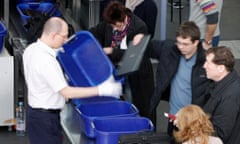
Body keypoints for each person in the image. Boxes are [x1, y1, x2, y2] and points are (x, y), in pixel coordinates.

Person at [23, 17, 122, 144]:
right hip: (45, 119)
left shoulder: (32, 49)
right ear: (53, 35)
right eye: (64, 37)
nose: (65, 41)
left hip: (37, 115)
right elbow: (67, 93)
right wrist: (103, 90)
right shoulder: (46, 61)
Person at [89, 1, 154, 119]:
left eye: (118, 26)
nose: (116, 29)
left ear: (125, 18)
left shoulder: (139, 27)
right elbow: (94, 32)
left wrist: (110, 51)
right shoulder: (109, 24)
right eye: (113, 26)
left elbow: (132, 54)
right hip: (116, 71)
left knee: (136, 105)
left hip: (135, 73)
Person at [147, 21, 211, 128]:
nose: (180, 47)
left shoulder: (205, 62)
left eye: (185, 44)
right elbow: (148, 47)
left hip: (193, 120)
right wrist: (140, 37)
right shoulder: (170, 50)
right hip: (174, 116)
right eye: (178, 42)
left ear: (196, 42)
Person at [203, 46, 240, 144]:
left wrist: (190, 126)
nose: (204, 66)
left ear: (221, 68)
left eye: (208, 63)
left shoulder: (230, 96)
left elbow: (220, 133)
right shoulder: (221, 84)